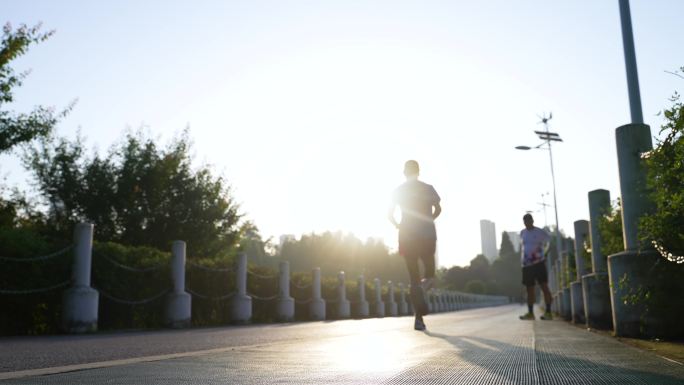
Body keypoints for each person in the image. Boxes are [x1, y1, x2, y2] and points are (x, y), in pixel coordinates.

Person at [388, 160, 441, 331]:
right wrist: (429, 220)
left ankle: (418, 319)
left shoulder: (398, 191)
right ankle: (421, 290)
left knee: (413, 278)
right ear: (418, 172)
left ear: (404, 172)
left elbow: (389, 214)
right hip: (427, 235)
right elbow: (438, 209)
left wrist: (398, 225)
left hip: (406, 236)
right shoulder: (428, 188)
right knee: (430, 275)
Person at [518, 213, 553, 320]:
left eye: (529, 221)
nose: (527, 223)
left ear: (532, 221)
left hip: (539, 263)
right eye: (525, 221)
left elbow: (550, 242)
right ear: (523, 222)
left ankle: (548, 312)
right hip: (527, 265)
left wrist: (545, 253)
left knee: (544, 287)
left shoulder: (539, 232)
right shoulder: (522, 233)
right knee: (529, 289)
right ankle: (530, 313)